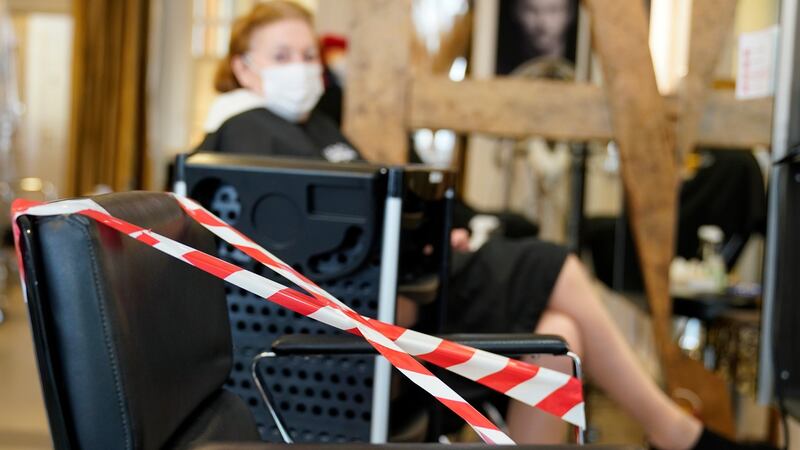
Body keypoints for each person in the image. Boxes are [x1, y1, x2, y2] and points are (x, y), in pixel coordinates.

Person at [196, 3, 774, 449]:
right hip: (365, 320)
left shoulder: (313, 125)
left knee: (555, 345)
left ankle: (671, 431)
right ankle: (673, 431)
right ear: (243, 68)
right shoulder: (248, 132)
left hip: (407, 285)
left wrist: (432, 232)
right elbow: (319, 244)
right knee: (552, 263)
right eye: (281, 57)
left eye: (308, 55)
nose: (301, 69)